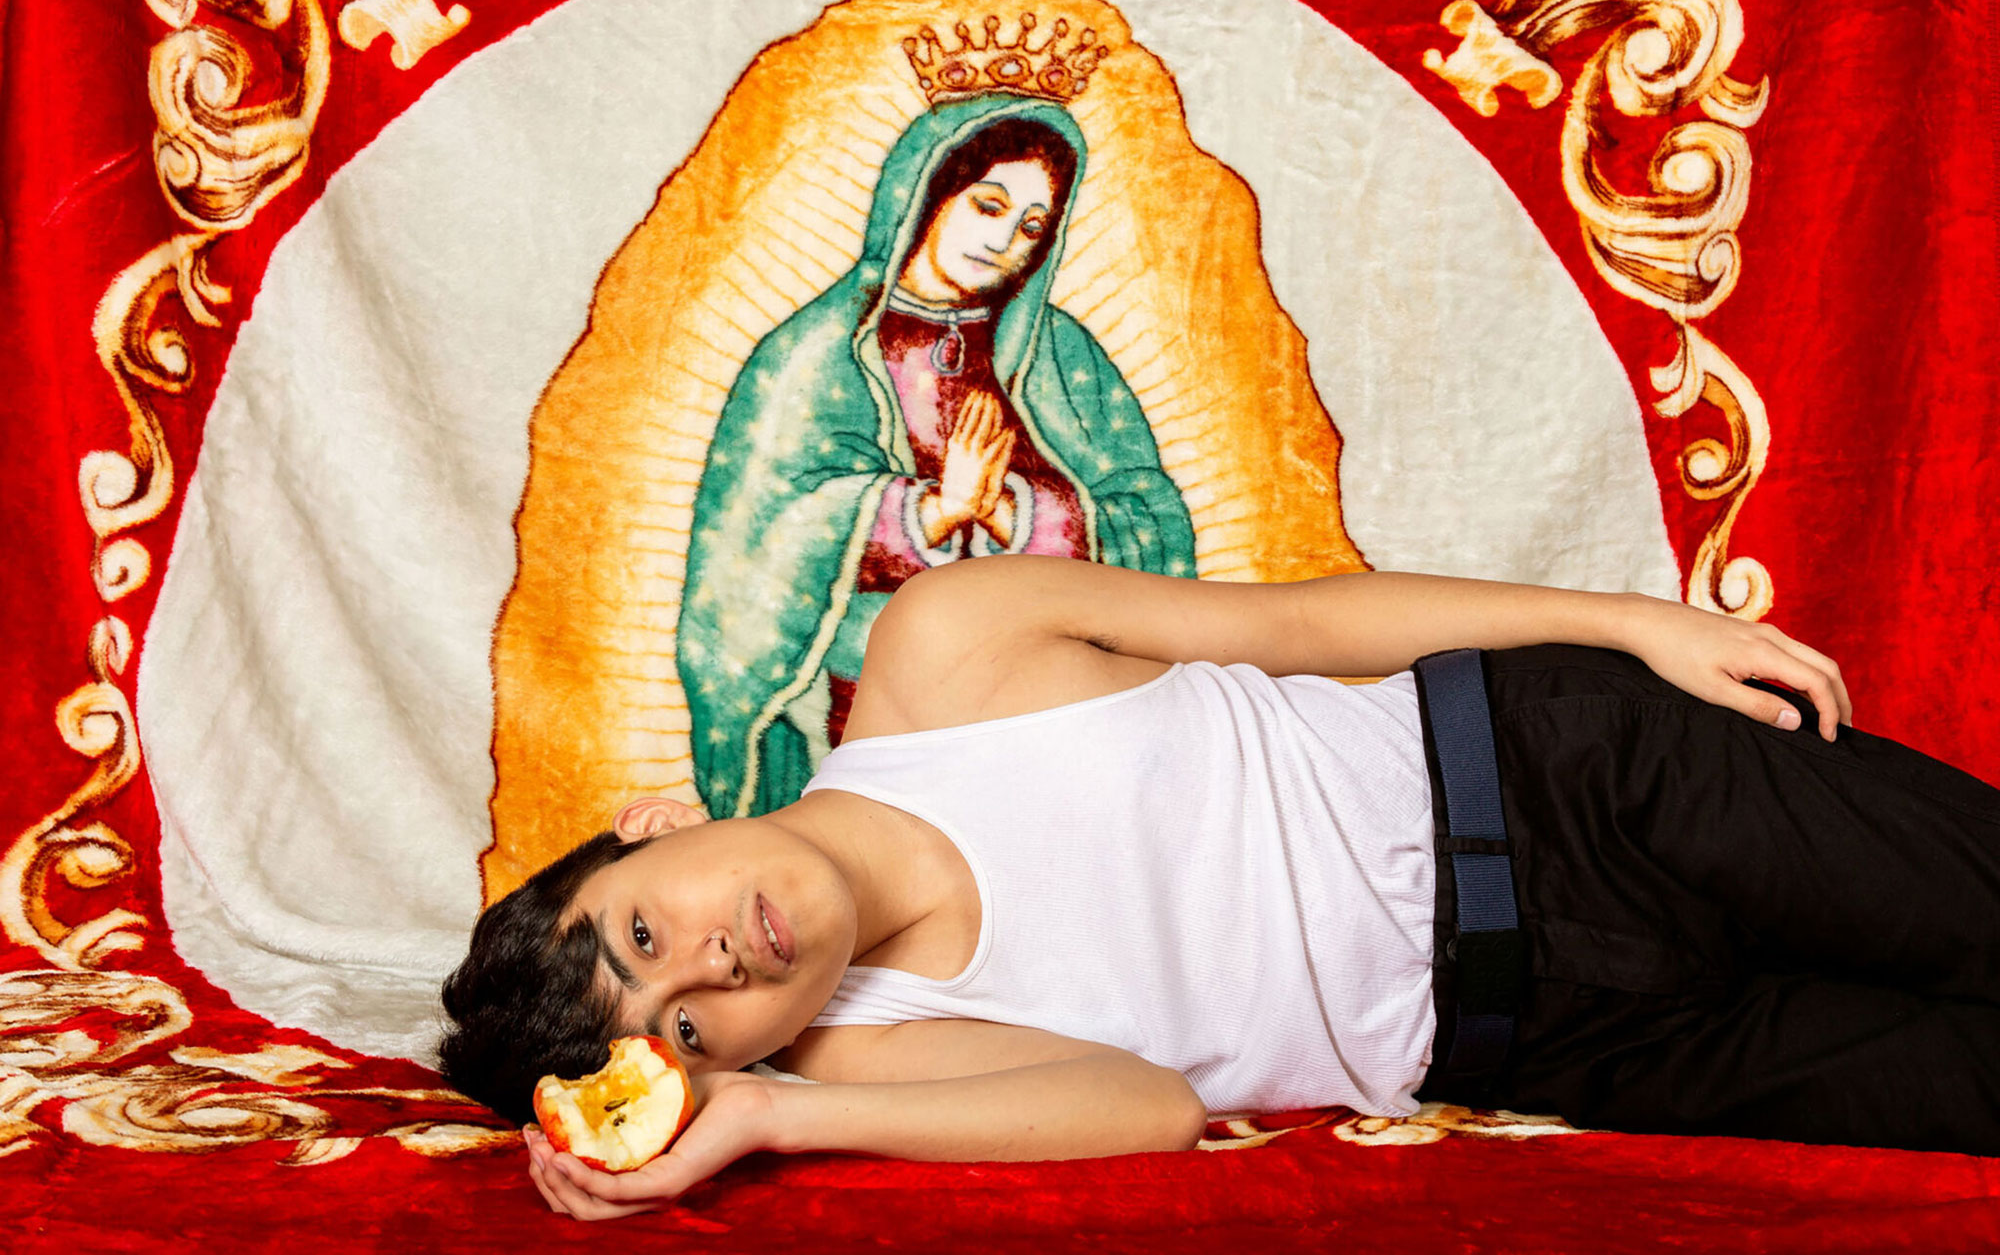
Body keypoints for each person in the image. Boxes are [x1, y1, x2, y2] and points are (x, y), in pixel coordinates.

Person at [440, 554, 2000, 1222]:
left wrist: (1630, 623)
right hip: (1563, 1034)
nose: (715, 964)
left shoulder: (947, 647)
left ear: (655, 823)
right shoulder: (867, 1049)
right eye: (689, 1031)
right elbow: (1146, 1105)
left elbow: (1303, 624)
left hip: (1574, 778)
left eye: (646, 929)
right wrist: (778, 1112)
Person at [677, 95, 1196, 820]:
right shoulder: (817, 353)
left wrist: (1016, 511)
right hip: (867, 712)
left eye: (1031, 227)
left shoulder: (1060, 355)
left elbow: (1146, 515)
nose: (1006, 241)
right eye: (987, 205)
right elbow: (759, 540)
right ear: (929, 194)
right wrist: (929, 511)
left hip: (1041, 704)